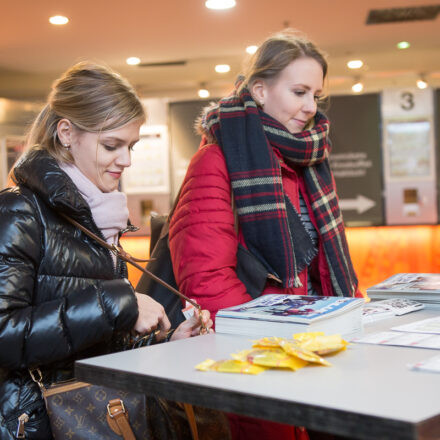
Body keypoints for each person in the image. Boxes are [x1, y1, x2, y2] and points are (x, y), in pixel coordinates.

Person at [0, 62, 212, 439]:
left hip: (97, 412)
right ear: (66, 132)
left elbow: (96, 337)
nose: (126, 160)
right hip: (38, 422)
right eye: (111, 145)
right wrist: (119, 303)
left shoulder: (100, 212)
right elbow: (5, 335)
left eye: (130, 146)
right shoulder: (18, 211)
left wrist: (165, 341)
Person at [169, 29, 362, 440]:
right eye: (299, 92)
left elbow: (326, 270)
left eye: (316, 95)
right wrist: (269, 347)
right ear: (259, 89)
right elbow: (205, 278)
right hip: (261, 357)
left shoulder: (308, 160)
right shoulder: (217, 160)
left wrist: (354, 319)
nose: (311, 107)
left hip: (318, 350)